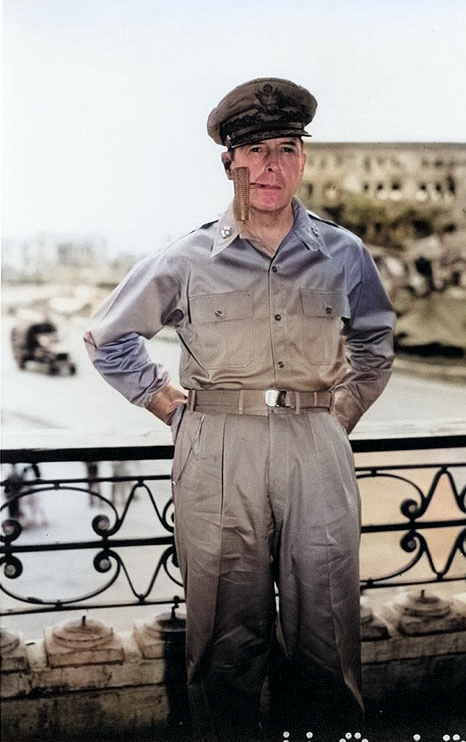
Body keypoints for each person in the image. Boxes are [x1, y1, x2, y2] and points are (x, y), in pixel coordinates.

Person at [84, 77, 395, 742]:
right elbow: (108, 340)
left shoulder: (342, 253)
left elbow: (374, 342)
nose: (269, 166)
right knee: (223, 641)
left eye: (285, 149)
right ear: (228, 161)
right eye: (253, 150)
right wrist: (169, 406)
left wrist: (337, 417)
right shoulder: (187, 256)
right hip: (217, 446)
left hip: (316, 443)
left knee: (327, 634)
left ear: (302, 159)